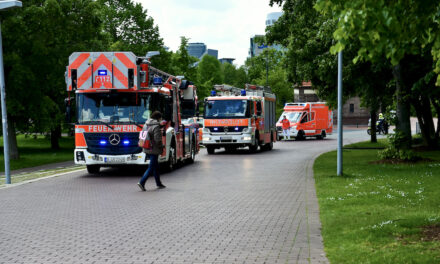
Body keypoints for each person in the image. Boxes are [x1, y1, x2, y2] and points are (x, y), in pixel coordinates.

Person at [137, 111, 166, 191]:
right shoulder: (156, 126)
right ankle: (142, 182)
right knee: (151, 167)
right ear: (158, 118)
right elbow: (158, 140)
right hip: (154, 149)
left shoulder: (146, 124)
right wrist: (162, 146)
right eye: (160, 118)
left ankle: (158, 183)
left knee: (156, 167)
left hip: (147, 147)